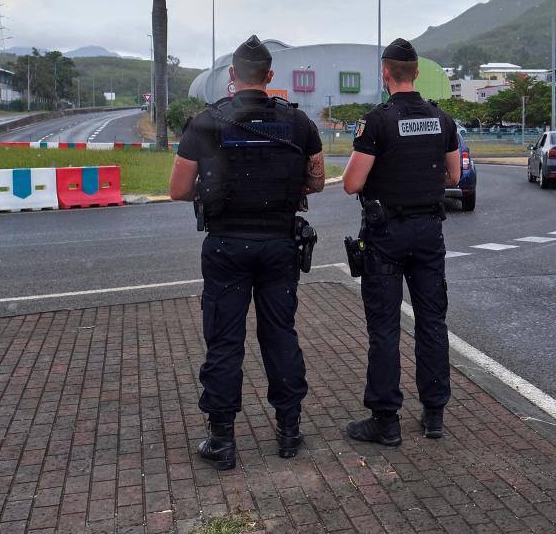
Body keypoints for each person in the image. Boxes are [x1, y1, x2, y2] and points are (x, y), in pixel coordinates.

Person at [169, 35, 326, 470]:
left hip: (224, 246)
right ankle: (289, 433)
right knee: (280, 336)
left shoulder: (204, 123)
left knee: (224, 342)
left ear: (232, 78)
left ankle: (222, 441)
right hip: (279, 245)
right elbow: (315, 181)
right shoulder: (298, 124)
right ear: (270, 77)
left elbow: (178, 189)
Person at [342, 37, 461, 446]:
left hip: (386, 236)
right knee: (432, 323)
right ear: (416, 73)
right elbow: (455, 177)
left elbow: (352, 183)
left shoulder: (376, 121)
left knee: (385, 328)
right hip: (429, 233)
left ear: (386, 74)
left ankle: (386, 420)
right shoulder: (441, 120)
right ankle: (434, 415)